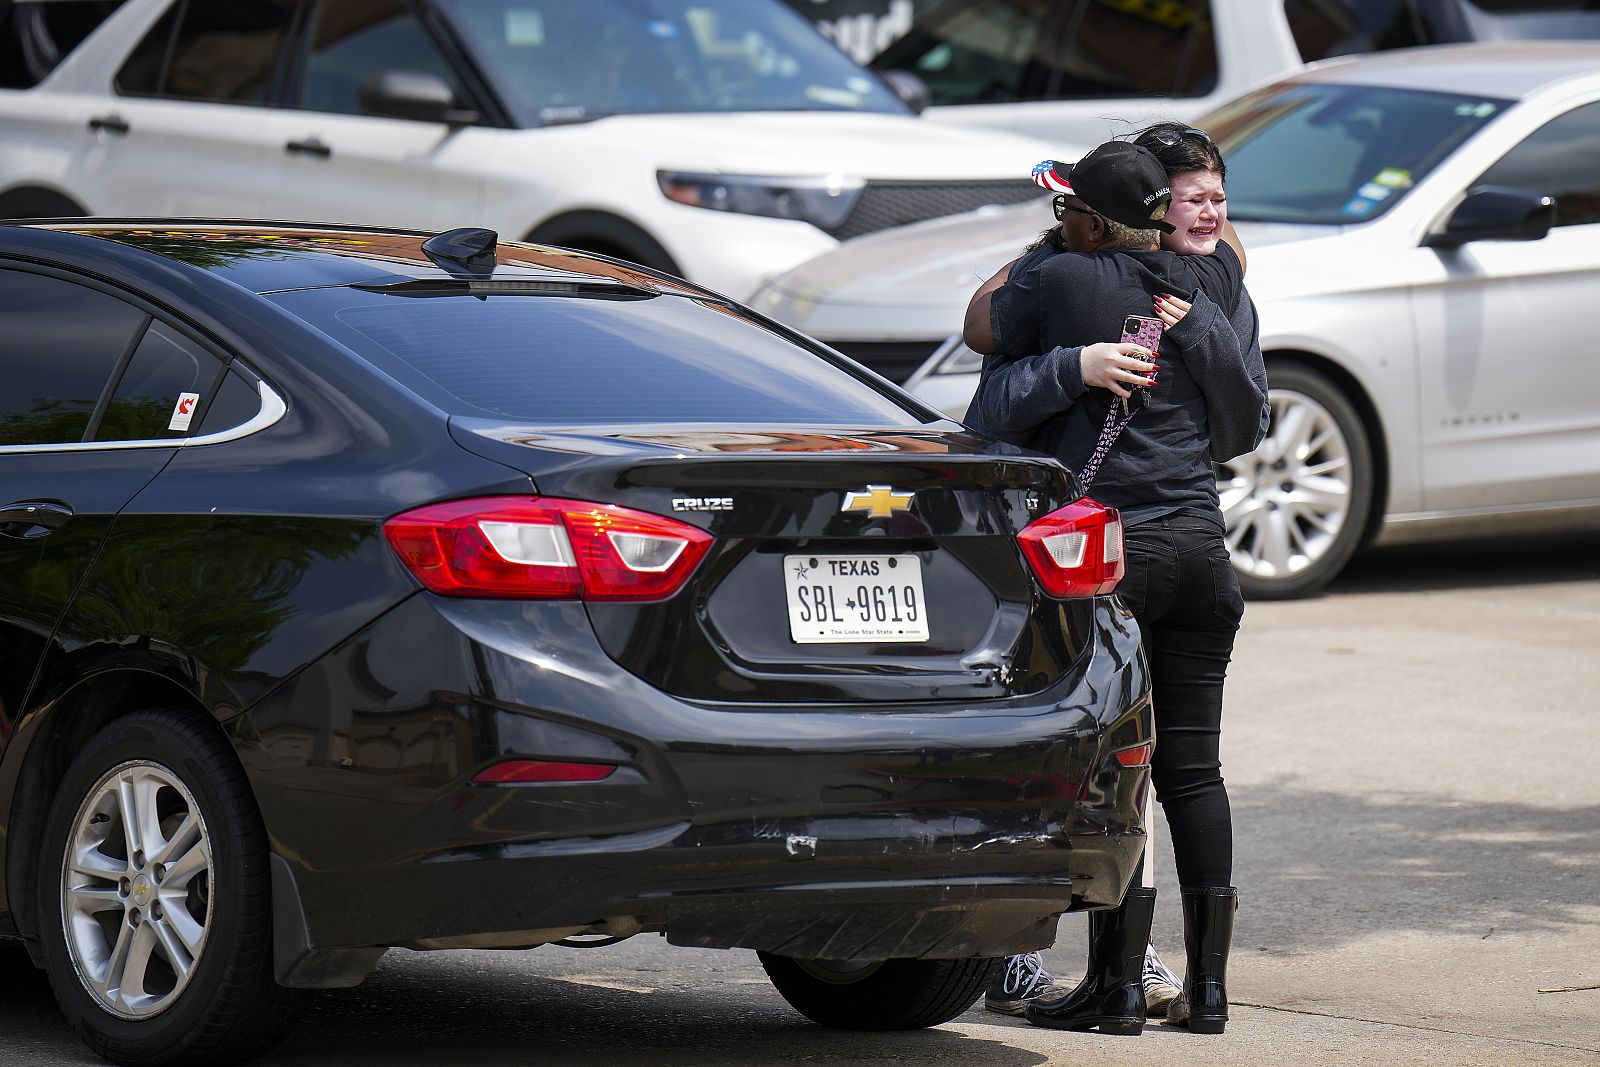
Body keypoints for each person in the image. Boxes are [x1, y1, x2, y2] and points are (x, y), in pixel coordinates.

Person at [971, 133, 1268, 1035]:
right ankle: (1210, 991)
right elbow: (1246, 421)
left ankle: (1119, 988)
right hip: (1203, 554)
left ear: (1088, 216)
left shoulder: (1063, 279)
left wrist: (1070, 359)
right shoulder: (1214, 285)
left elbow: (986, 395)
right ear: (1166, 210)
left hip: (1115, 558)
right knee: (1193, 769)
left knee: (1114, 771)